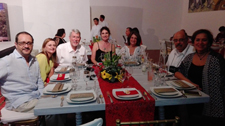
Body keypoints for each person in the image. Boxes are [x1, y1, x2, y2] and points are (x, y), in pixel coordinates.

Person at [175, 29, 225, 125]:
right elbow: (177, 72)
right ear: (193, 42)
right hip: (192, 99)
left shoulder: (216, 59)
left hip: (212, 103)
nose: (200, 43)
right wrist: (191, 83)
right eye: (197, 40)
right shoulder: (189, 57)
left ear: (209, 42)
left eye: (204, 40)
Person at [0, 31, 44, 112]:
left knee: (57, 101)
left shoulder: (34, 60)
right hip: (19, 102)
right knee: (52, 107)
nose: (26, 46)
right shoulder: (6, 61)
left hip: (36, 97)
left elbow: (39, 81)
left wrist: (43, 95)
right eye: (22, 43)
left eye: (29, 43)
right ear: (16, 44)